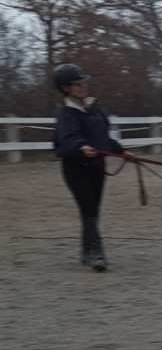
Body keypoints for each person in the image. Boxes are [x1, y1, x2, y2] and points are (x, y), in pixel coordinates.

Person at [52, 63, 126, 271]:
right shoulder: (67, 114)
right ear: (65, 88)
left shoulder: (94, 110)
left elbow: (103, 138)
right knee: (88, 207)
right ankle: (95, 252)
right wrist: (81, 146)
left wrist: (122, 152)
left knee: (93, 210)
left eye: (83, 82)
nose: (83, 86)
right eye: (78, 84)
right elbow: (68, 138)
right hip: (76, 168)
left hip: (96, 166)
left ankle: (87, 251)